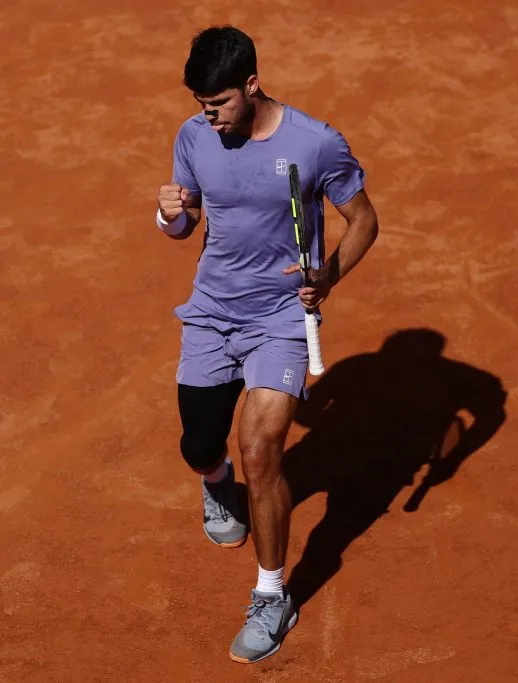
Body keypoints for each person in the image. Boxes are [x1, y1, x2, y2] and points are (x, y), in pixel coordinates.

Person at [154, 25, 379, 664]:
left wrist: (325, 279)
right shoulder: (194, 135)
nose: (210, 117)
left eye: (219, 104)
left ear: (251, 85)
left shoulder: (315, 144)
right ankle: (214, 479)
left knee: (261, 450)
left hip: (280, 318)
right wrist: (170, 212)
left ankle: (272, 592)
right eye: (201, 105)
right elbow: (185, 221)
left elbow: (364, 219)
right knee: (200, 444)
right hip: (211, 311)